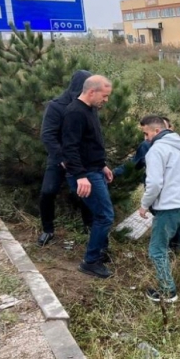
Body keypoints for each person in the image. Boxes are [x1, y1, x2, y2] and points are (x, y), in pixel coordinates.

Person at [137, 116, 180, 303]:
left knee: (157, 249)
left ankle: (167, 291)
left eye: (146, 133)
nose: (146, 138)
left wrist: (144, 205)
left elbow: (155, 183)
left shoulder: (157, 150)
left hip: (171, 208)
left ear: (157, 131)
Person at [61, 75, 115, 279]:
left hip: (94, 170)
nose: (106, 100)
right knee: (105, 216)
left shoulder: (90, 110)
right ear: (91, 91)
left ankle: (100, 252)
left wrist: (102, 165)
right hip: (85, 175)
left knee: (100, 214)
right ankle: (90, 261)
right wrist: (81, 176)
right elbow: (70, 148)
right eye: (105, 95)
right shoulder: (74, 112)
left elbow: (90, 144)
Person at [37, 70, 94, 247]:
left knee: (85, 193)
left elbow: (92, 135)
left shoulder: (88, 106)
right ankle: (47, 229)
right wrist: (62, 157)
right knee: (48, 191)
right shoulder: (56, 106)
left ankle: (89, 227)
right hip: (59, 158)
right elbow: (47, 135)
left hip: (81, 159)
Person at [114, 117, 180, 250]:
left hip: (169, 193)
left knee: (168, 221)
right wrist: (114, 173)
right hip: (168, 194)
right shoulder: (148, 145)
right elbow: (134, 164)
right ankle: (169, 247)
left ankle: (166, 248)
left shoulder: (174, 146)